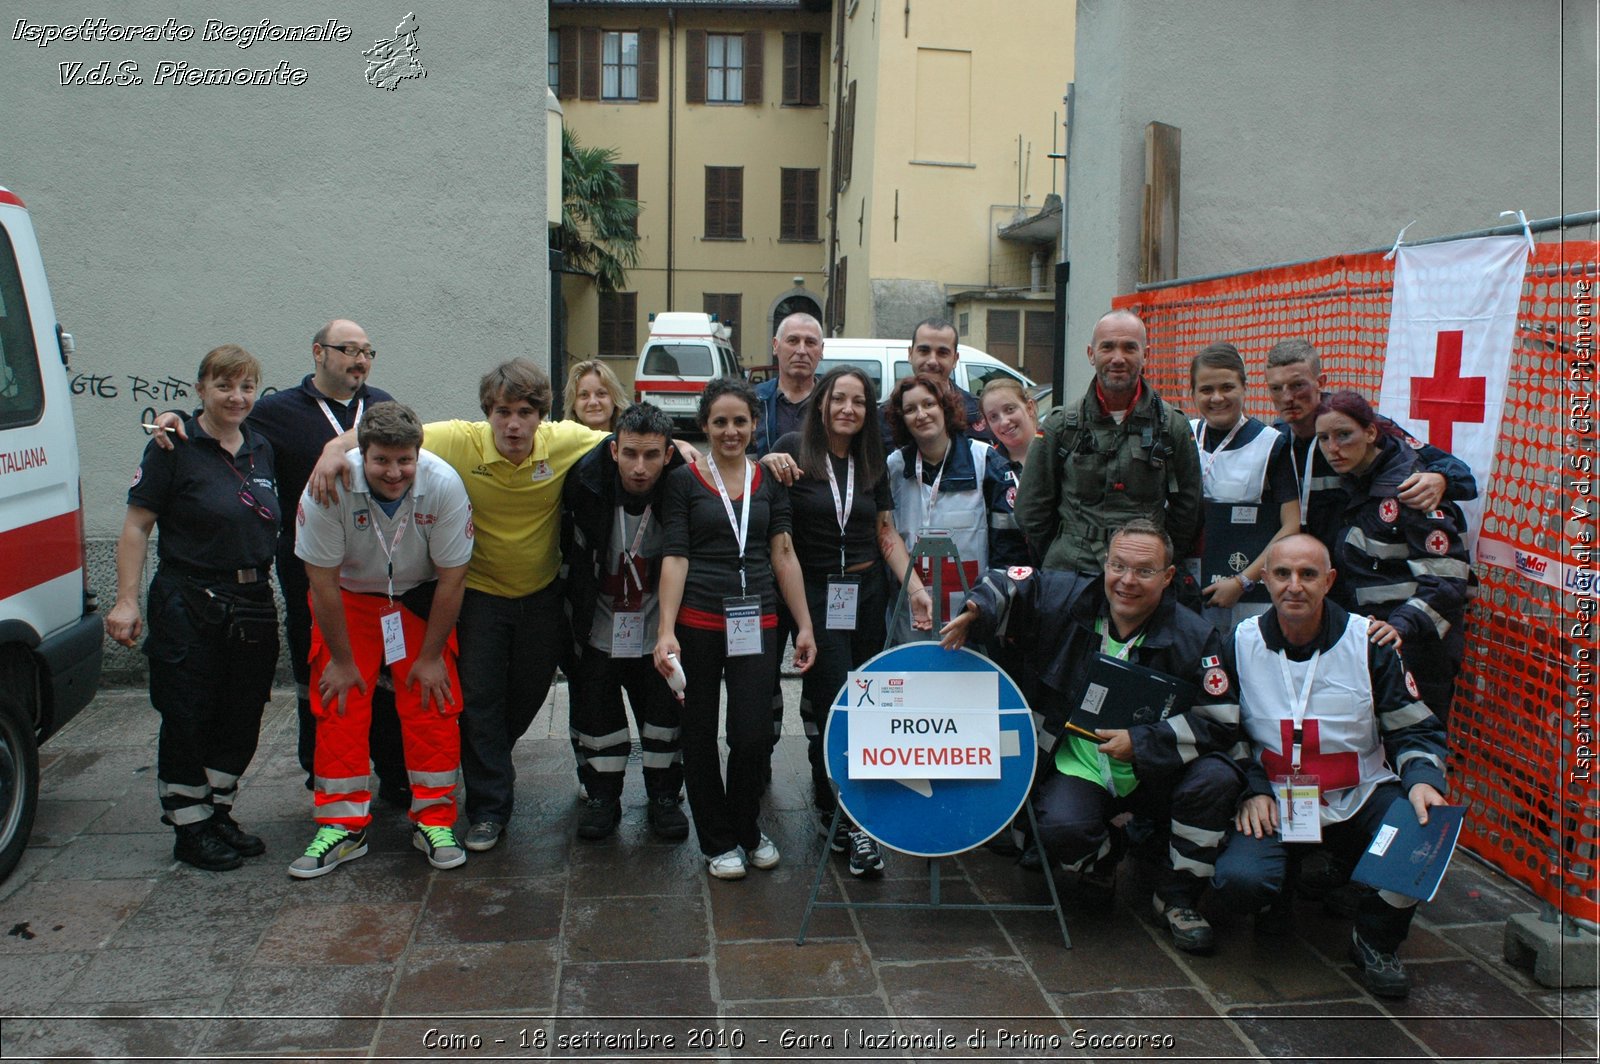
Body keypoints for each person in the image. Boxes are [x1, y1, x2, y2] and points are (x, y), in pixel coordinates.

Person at [939, 519, 1244, 955]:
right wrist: (976, 610)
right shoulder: (1068, 595)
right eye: (1118, 566)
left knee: (1217, 779)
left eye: (1144, 571)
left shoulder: (1195, 636)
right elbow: (1011, 578)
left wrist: (1142, 743)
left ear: (1169, 577)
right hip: (1082, 763)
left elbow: (1221, 717)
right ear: (1105, 564)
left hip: (1160, 769)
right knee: (1058, 828)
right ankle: (1104, 856)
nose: (1127, 581)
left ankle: (1177, 898)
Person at [149, 320, 407, 803]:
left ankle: (394, 771)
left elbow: (410, 441)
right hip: (310, 575)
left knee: (389, 676)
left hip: (383, 575)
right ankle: (324, 771)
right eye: (348, 349)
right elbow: (222, 423)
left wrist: (337, 445)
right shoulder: (275, 411)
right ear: (318, 352)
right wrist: (174, 416)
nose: (360, 360)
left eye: (368, 351)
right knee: (321, 677)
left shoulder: (382, 405)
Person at [1211, 533, 1448, 998]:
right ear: (1264, 579)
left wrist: (1423, 780)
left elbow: (1414, 728)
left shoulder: (1370, 643)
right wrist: (1252, 788)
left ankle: (1375, 938)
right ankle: (1277, 892)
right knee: (1241, 881)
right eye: (1282, 574)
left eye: (1308, 574)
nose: (1294, 586)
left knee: (1426, 833)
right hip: (1276, 801)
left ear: (1330, 580)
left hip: (1359, 795)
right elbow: (1223, 730)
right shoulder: (1238, 643)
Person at [106, 344, 281, 872]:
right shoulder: (173, 445)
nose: (237, 396)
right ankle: (188, 826)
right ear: (201, 388)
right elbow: (136, 526)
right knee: (187, 713)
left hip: (251, 598)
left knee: (243, 711)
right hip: (189, 599)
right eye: (224, 386)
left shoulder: (261, 447)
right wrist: (126, 599)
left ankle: (217, 810)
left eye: (246, 386)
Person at [288, 402, 474, 877]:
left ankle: (434, 819)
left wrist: (431, 658)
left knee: (433, 696)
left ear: (419, 454)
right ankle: (342, 825)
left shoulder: (444, 484)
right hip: (348, 599)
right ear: (361, 454)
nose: (394, 473)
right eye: (381, 461)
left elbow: (454, 580)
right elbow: (321, 583)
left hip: (414, 599)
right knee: (339, 697)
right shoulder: (328, 487)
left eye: (404, 460)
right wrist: (344, 661)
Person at [765, 366, 927, 878]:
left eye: (859, 402)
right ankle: (854, 823)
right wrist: (763, 459)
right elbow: (773, 525)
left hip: (866, 591)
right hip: (814, 594)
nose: (848, 410)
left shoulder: (871, 459)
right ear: (821, 402)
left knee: (865, 701)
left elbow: (886, 533)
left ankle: (829, 803)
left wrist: (915, 586)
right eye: (839, 399)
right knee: (841, 705)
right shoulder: (794, 446)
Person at [654, 377, 817, 880]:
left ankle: (747, 826)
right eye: (720, 422)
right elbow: (676, 557)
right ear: (704, 425)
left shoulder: (768, 481)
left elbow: (784, 553)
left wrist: (805, 625)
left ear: (755, 425)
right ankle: (718, 839)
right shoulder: (683, 481)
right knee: (699, 732)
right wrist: (666, 631)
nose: (730, 431)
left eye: (740, 421)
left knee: (751, 735)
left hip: (759, 621)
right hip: (698, 621)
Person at [560, 402, 689, 842]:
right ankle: (602, 797)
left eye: (651, 455)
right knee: (597, 718)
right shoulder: (584, 484)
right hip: (598, 627)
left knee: (663, 717)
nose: (639, 467)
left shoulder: (682, 486)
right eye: (630, 453)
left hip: (656, 632)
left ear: (668, 454)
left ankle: (665, 797)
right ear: (613, 450)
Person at [1315, 391, 1471, 724]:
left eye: (1344, 435)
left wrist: (1400, 627)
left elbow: (1447, 583)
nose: (1333, 448)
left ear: (1371, 433)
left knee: (1418, 745)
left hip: (1419, 647)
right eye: (1324, 438)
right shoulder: (1358, 478)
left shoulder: (1413, 489)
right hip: (1375, 639)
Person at [1015, 309, 1202, 577]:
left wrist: (1156, 560)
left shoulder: (1172, 427)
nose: (1118, 358)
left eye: (1129, 348)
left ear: (1145, 355)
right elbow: (1030, 509)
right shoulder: (1061, 425)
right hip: (1071, 572)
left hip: (1141, 578)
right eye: (1107, 347)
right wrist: (1062, 549)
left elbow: (1188, 511)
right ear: (1092, 354)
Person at [1263, 337, 1476, 546]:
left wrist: (1441, 479)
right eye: (1276, 388)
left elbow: (1463, 476)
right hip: (1304, 571)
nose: (1287, 397)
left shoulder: (1362, 426)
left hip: (1358, 569)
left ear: (1320, 383)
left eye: (1297, 385)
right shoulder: (1276, 439)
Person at [884, 373, 1026, 637]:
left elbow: (1010, 552)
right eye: (910, 409)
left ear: (945, 407)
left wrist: (983, 606)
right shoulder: (894, 467)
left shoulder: (985, 461)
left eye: (929, 404)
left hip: (973, 618)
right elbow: (884, 533)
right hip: (910, 620)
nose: (921, 414)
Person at [1186, 342, 1300, 631]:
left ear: (1245, 387)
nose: (1217, 398)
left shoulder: (1272, 443)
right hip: (1187, 588)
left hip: (1249, 595)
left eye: (1227, 387)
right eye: (1206, 390)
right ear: (1193, 393)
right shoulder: (1184, 435)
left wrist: (1243, 581)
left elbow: (1292, 525)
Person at [878, 318, 995, 444]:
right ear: (910, 354)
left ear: (955, 359)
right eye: (924, 351)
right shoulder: (885, 416)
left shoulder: (980, 411)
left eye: (942, 353)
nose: (932, 361)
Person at [752, 312, 823, 456]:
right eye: (793, 341)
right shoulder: (753, 401)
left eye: (810, 342)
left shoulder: (833, 403)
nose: (801, 351)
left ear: (821, 350)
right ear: (775, 346)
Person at [979, 376, 1040, 474]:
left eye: (1010, 409)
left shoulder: (1057, 451)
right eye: (993, 417)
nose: (1004, 421)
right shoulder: (987, 466)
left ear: (1030, 408)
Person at [564, 358, 629, 433]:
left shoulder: (633, 442)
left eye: (601, 394)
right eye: (584, 395)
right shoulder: (560, 443)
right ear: (573, 404)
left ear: (615, 399)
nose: (593, 402)